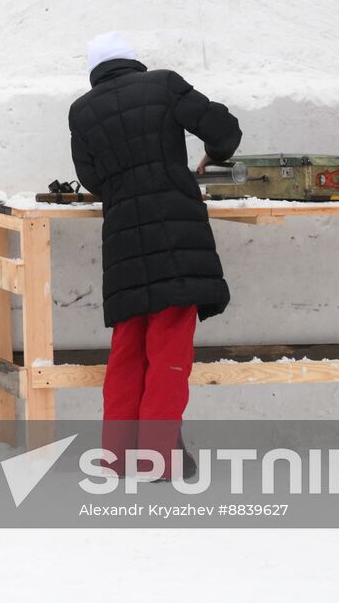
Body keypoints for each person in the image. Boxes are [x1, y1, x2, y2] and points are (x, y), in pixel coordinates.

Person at [68, 31, 241, 480]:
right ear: (132, 61)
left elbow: (92, 178)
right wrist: (214, 154)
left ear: (95, 71)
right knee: (168, 350)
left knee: (127, 350)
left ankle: (116, 458)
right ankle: (159, 459)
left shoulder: (82, 112)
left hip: (123, 240)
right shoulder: (163, 85)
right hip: (175, 235)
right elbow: (224, 129)